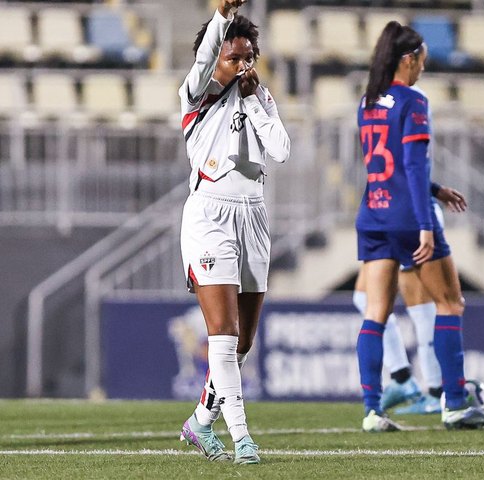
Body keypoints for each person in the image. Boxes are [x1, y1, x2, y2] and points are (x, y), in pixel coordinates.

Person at [354, 21, 484, 432]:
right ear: (408, 59)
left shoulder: (367, 101)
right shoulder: (413, 102)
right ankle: (455, 403)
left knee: (376, 312)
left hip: (373, 214)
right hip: (408, 217)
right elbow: (412, 165)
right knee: (450, 303)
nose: (423, 67)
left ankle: (372, 410)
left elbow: (382, 167)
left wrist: (437, 190)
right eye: (421, 60)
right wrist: (425, 222)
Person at [177, 0, 290, 464]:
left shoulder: (260, 97)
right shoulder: (197, 96)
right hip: (210, 215)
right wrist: (221, 18)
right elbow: (205, 61)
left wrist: (256, 101)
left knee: (243, 342)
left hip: (255, 216)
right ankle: (242, 438)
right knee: (222, 335)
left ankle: (201, 422)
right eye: (233, 56)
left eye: (249, 57)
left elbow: (280, 150)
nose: (242, 64)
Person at [352, 185, 467, 415]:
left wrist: (432, 191)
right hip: (386, 207)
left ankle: (436, 391)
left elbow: (410, 164)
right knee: (364, 298)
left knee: (424, 304)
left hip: (409, 209)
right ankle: (403, 378)